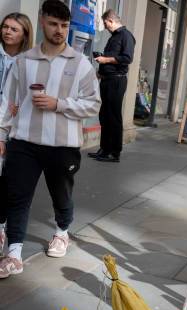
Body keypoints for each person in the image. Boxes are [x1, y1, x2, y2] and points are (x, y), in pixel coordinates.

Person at [0, 0, 101, 278]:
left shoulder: (80, 64)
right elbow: (8, 101)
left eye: (65, 25)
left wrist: (59, 103)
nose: (60, 30)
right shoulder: (23, 61)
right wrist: (2, 133)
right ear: (42, 21)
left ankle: (62, 231)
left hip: (63, 145)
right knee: (17, 196)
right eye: (54, 24)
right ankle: (14, 253)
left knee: (61, 195)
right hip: (24, 142)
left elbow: (93, 104)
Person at [0, 12, 33, 256]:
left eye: (14, 29)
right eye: (5, 27)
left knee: (8, 182)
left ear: (25, 34)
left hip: (13, 126)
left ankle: (3, 228)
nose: (7, 31)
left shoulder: (28, 62)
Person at [88, 9, 135, 163]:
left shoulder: (126, 36)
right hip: (107, 79)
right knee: (104, 116)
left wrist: (106, 60)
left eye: (105, 23)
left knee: (113, 117)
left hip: (117, 80)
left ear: (110, 20)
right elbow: (112, 58)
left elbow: (127, 58)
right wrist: (101, 71)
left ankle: (114, 153)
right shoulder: (114, 37)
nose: (105, 26)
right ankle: (104, 149)